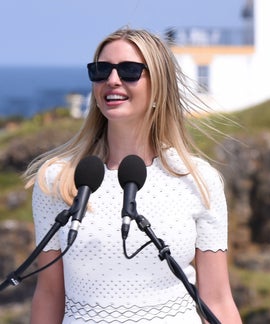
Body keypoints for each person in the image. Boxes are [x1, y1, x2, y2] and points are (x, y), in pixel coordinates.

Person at [25, 28, 243, 323]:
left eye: (129, 71)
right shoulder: (58, 180)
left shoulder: (199, 180)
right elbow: (49, 295)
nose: (112, 80)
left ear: (159, 86)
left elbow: (217, 299)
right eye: (101, 70)